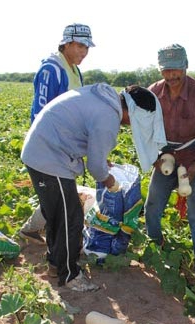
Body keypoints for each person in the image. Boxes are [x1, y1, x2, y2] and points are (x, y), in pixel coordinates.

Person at [21, 83, 165, 292]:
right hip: (49, 158)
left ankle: (55, 263)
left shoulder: (105, 100)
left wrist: (102, 164)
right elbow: (96, 167)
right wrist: (111, 182)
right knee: (70, 219)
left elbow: (83, 134)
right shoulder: (108, 117)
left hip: (44, 150)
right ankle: (69, 275)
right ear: (133, 111)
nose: (131, 125)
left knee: (57, 214)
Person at [144, 44, 195, 299]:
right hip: (166, 157)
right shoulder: (154, 92)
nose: (171, 76)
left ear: (185, 66)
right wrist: (156, 157)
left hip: (193, 157)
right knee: (152, 208)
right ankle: (157, 250)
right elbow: (145, 130)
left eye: (176, 70)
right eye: (166, 70)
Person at [19, 23, 95, 245]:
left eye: (87, 48)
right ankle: (59, 255)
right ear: (67, 43)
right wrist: (51, 148)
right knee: (62, 196)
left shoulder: (74, 70)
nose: (84, 52)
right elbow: (39, 112)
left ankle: (30, 230)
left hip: (66, 145)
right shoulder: (51, 69)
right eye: (80, 46)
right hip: (51, 147)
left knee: (60, 194)